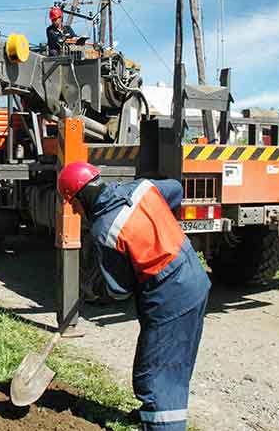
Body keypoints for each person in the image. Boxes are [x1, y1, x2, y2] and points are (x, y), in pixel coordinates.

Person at [57, 162, 210, 431]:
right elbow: (175, 189)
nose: (76, 211)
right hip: (194, 278)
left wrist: (96, 283)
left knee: (154, 374)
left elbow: (120, 290)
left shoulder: (105, 230)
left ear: (82, 197)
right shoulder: (141, 188)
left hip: (169, 295)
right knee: (172, 362)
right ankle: (155, 416)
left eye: (74, 204)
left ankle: (163, 426)